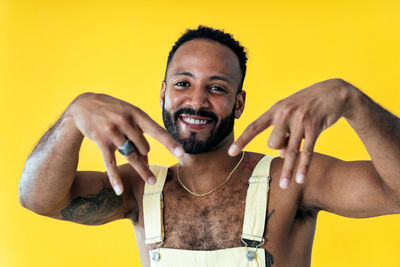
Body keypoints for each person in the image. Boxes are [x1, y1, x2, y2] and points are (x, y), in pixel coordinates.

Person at [19, 26, 400, 267]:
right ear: (164, 93)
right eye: (183, 83)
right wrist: (72, 118)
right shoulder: (140, 186)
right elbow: (38, 199)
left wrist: (354, 102)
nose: (197, 101)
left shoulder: (292, 180)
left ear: (238, 103)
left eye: (216, 88)